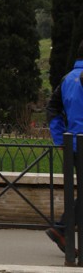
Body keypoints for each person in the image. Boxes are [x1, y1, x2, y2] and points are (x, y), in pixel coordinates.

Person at [47, 41, 83, 254]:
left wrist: (60, 138)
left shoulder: (67, 78)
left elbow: (52, 107)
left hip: (74, 143)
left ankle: (62, 228)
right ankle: (61, 228)